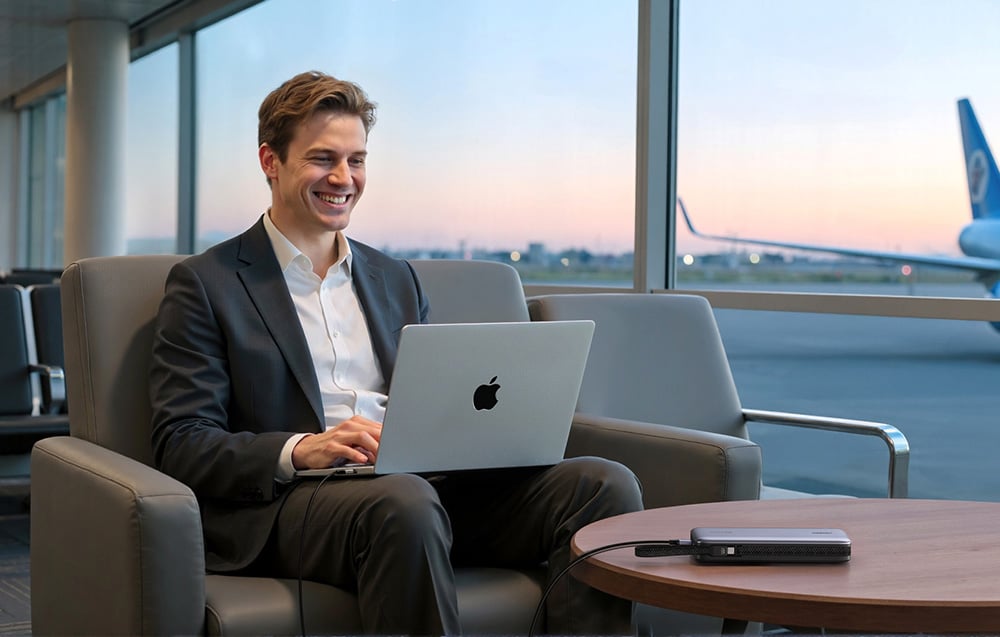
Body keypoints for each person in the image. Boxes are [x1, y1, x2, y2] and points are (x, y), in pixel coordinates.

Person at [148, 70, 643, 635]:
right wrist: (303, 448)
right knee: (404, 504)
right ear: (270, 161)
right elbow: (181, 442)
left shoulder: (395, 277)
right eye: (322, 159)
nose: (343, 178)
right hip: (300, 502)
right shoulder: (206, 283)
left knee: (603, 485)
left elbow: (434, 401)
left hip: (420, 489)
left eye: (357, 160)